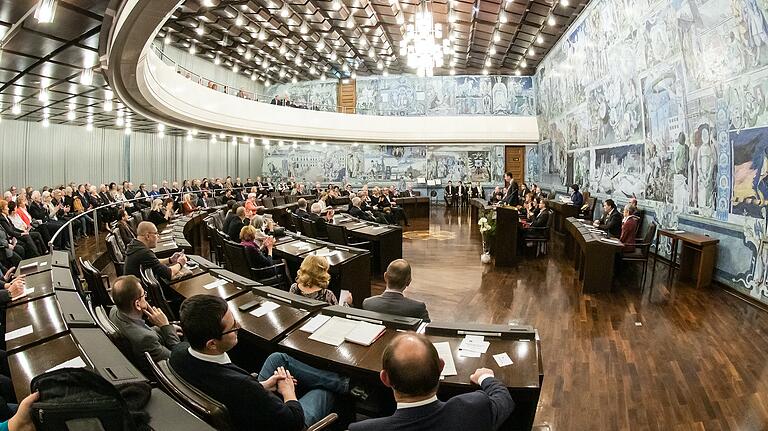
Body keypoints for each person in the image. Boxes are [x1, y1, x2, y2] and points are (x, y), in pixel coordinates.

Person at [169, 295, 353, 430]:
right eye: (232, 327)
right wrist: (288, 392)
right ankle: (349, 392)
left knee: (278, 358)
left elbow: (238, 390)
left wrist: (263, 385)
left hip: (243, 401)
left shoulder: (178, 354)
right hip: (281, 421)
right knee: (324, 391)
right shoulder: (242, 386)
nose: (239, 327)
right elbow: (293, 423)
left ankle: (346, 384)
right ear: (212, 344)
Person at [348, 332, 514, 431]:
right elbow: (504, 399)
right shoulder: (474, 409)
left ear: (385, 379)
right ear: (441, 366)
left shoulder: (363, 429)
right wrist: (485, 377)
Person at [109, 275, 181, 371]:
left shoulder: (114, 311)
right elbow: (178, 360)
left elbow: (139, 329)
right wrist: (166, 326)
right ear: (137, 304)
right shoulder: (146, 340)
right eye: (144, 295)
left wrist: (162, 329)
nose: (146, 298)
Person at [362, 259, 429, 322]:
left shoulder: (368, 304)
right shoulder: (418, 308)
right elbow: (428, 332)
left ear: (385, 276)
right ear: (409, 281)